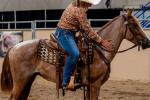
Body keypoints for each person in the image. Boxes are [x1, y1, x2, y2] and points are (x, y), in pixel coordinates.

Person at [54, 0, 112, 88]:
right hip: (64, 33)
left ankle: (78, 77)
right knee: (75, 54)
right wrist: (101, 41)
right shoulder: (79, 10)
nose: (91, 5)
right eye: (90, 3)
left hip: (69, 32)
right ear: (84, 2)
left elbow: (82, 26)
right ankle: (65, 81)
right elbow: (87, 28)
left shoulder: (77, 6)